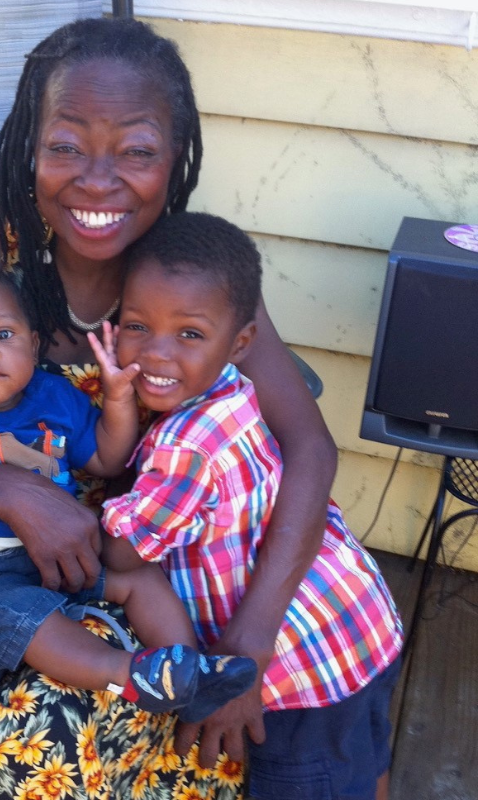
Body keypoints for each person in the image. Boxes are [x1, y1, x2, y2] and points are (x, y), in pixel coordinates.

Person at [0, 16, 339, 800]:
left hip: (139, 567)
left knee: (93, 731)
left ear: (175, 160)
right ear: (29, 146)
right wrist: (7, 490)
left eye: (136, 150)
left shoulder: (186, 273)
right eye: (65, 145)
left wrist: (251, 641)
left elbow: (308, 445)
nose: (97, 181)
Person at [0, 250, 256, 714]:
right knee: (28, 622)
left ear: (33, 345)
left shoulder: (54, 396)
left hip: (65, 552)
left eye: (3, 334)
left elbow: (106, 457)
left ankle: (190, 672)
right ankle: (129, 674)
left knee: (138, 577)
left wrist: (118, 398)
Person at [101, 211, 404, 800]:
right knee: (362, 763)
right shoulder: (233, 391)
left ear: (240, 342)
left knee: (317, 782)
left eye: (189, 334)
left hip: (300, 671)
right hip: (354, 620)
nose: (158, 355)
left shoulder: (184, 446)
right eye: (137, 327)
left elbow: (122, 550)